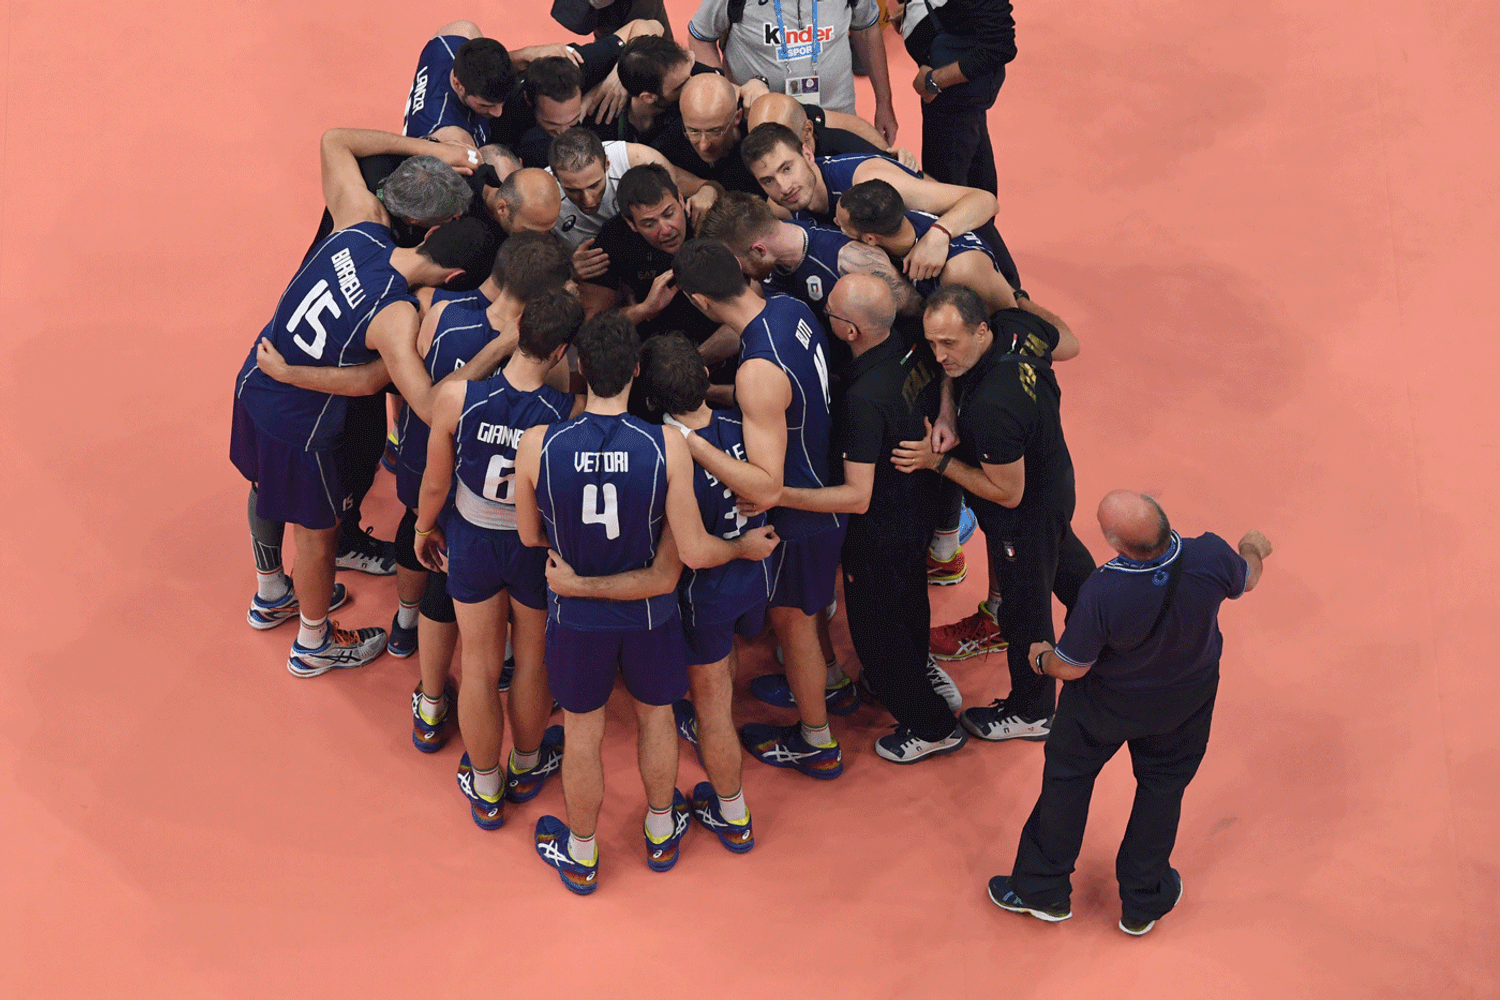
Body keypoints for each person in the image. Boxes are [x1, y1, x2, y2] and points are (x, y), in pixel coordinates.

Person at [513, 312, 778, 893]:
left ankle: (581, 854)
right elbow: (680, 555)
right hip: (651, 618)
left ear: (578, 369)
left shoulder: (537, 444)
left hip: (576, 619)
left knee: (582, 733)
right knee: (657, 718)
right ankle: (662, 829)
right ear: (636, 371)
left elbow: (531, 537)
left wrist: (578, 580)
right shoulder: (665, 447)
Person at [231, 131, 496, 678]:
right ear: (454, 279)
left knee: (264, 487)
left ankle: (271, 591)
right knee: (318, 537)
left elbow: (332, 140)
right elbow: (420, 402)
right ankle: (313, 642)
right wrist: (502, 344)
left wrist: (434, 151)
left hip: (252, 381)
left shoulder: (359, 223)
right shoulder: (398, 317)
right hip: (299, 424)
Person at [989, 492, 1272, 936]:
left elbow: (1073, 667)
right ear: (1164, 518)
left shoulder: (1104, 589)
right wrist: (1253, 546)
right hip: (1185, 701)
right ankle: (1143, 901)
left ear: (1114, 542)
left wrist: (1041, 659)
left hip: (1105, 704)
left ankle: (1041, 890)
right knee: (1162, 791)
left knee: (1068, 779)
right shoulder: (1211, 554)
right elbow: (1248, 578)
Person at [748, 274, 968, 762]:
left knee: (875, 632)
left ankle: (931, 725)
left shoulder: (864, 399)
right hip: (917, 507)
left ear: (852, 332)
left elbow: (856, 496)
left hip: (880, 530)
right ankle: (917, 671)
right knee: (909, 603)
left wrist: (775, 491)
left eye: (833, 315)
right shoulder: (912, 342)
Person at [673, 238, 850, 778]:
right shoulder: (788, 307)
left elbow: (767, 488)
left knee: (793, 626)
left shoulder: (757, 374)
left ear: (699, 301)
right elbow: (768, 388)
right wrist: (706, 379)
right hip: (823, 478)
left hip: (798, 513)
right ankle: (831, 684)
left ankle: (817, 741)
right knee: (803, 621)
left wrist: (691, 441)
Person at [413, 289, 586, 828]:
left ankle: (486, 789)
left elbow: (436, 480)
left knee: (481, 667)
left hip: (472, 539)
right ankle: (529, 763)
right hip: (533, 545)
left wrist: (423, 527)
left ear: (516, 331)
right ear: (561, 352)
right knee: (532, 662)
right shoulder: (566, 413)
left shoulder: (459, 398)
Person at [891, 285, 1091, 741]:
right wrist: (1020, 300)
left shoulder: (993, 409)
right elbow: (1070, 341)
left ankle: (1032, 710)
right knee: (1066, 562)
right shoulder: (1016, 328)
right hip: (1055, 482)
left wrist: (937, 462)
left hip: (1023, 515)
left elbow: (1006, 494)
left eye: (950, 344)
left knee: (1024, 610)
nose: (940, 356)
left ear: (981, 331)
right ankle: (1113, 629)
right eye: (933, 343)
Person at [644, 333, 774, 850]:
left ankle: (734, 814)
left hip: (707, 594)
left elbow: (688, 550)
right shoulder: (744, 427)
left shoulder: (665, 455)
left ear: (651, 401)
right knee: (722, 673)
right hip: (755, 582)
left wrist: (738, 546)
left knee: (714, 709)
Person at [739, 123, 996, 282]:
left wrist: (939, 236)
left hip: (955, 262)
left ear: (807, 154)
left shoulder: (867, 178)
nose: (783, 188)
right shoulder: (780, 209)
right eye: (768, 180)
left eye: (787, 169)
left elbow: (983, 199)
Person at [575, 165, 737, 373]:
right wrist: (644, 309)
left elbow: (752, 311)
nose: (666, 230)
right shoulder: (615, 239)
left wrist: (692, 363)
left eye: (669, 214)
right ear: (631, 223)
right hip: (653, 359)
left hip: (722, 348)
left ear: (680, 199)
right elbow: (592, 327)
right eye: (649, 223)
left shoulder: (708, 220)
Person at [698, 191, 922, 328]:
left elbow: (919, 313)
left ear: (758, 250)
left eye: (736, 263)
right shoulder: (771, 261)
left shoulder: (851, 259)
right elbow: (744, 319)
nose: (737, 272)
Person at [685, 0, 897, 141]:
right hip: (760, 125)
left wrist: (884, 103)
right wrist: (724, 93)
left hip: (836, 116)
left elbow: (866, 29)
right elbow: (701, 36)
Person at [836, 178, 1018, 309]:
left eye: (843, 226)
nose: (836, 223)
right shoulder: (892, 215)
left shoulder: (959, 271)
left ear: (870, 239)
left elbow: (1009, 315)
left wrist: (942, 232)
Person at [906, 0, 1016, 195]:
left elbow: (999, 45)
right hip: (952, 95)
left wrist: (934, 81)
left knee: (948, 192)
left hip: (953, 94)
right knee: (972, 167)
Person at [546, 128, 713, 253]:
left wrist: (709, 191)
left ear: (607, 164)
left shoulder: (638, 160)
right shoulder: (538, 200)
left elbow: (704, 186)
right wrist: (572, 271)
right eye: (573, 190)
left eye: (594, 185)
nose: (588, 199)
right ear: (554, 176)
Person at [402, 22, 522, 149]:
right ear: (457, 84)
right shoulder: (453, 139)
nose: (498, 112)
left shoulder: (459, 34)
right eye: (486, 105)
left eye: (500, 103)